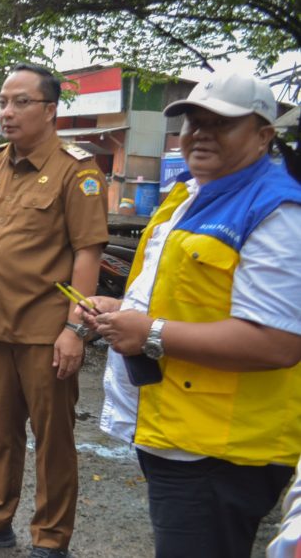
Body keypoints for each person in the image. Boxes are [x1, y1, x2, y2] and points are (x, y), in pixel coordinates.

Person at [77, 71, 301, 558]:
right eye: (193, 122)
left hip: (221, 449)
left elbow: (279, 343)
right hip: (181, 430)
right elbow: (194, 298)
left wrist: (150, 332)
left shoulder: (277, 211)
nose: (201, 133)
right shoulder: (191, 194)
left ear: (264, 135)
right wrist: (124, 310)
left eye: (222, 123)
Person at [0, 63, 108, 558]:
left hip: (46, 329)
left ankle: (51, 539)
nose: (7, 112)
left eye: (20, 102)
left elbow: (88, 252)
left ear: (50, 109)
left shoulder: (77, 171)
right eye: (2, 102)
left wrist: (76, 328)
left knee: (52, 438)